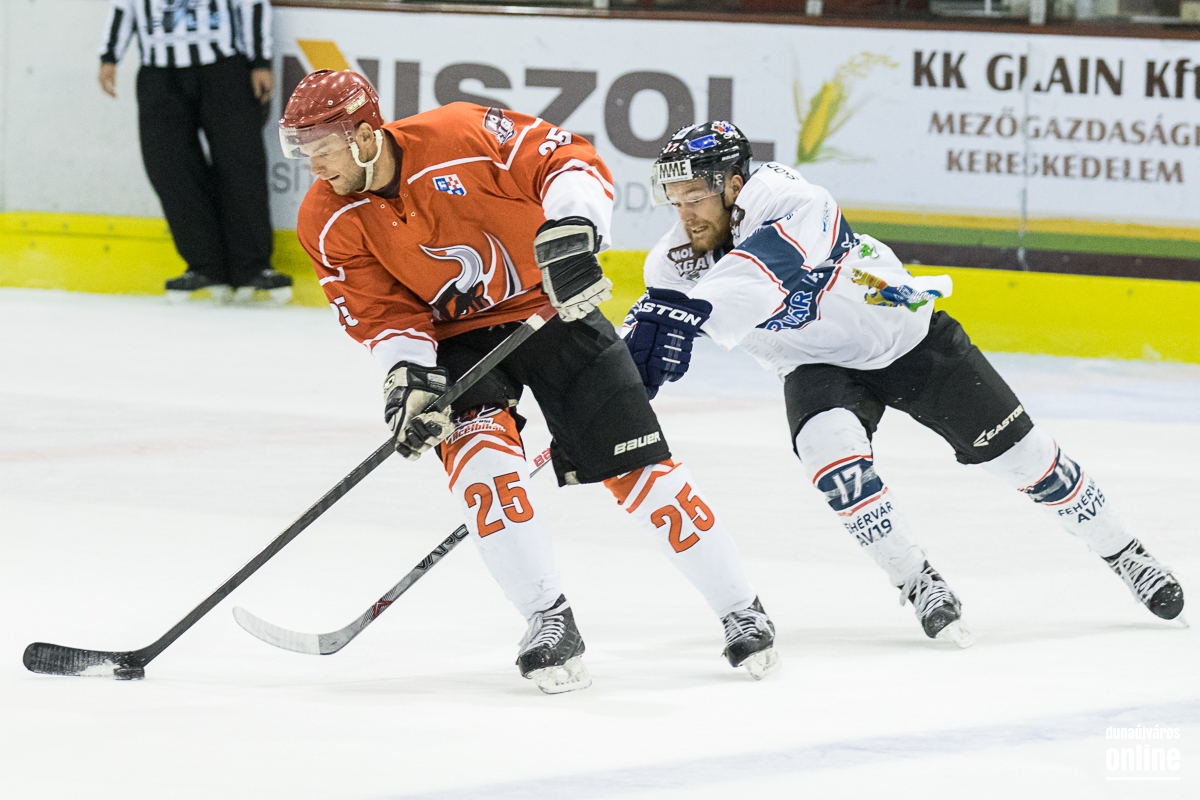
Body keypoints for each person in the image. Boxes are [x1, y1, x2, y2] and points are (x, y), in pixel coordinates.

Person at [279, 70, 780, 693]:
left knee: (644, 472)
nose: (312, 165)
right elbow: (381, 313)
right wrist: (409, 376)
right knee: (484, 474)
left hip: (553, 309)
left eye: (322, 147)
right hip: (455, 340)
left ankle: (740, 607)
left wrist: (571, 231)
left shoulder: (458, 132)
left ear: (362, 135)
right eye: (301, 149)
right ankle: (548, 619)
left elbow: (565, 159)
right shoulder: (325, 217)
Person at [624, 121, 1185, 646]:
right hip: (816, 365)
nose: (685, 213)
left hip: (906, 338)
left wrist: (689, 311)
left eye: (695, 195)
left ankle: (1125, 552)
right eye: (674, 199)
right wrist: (619, 380)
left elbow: (765, 271)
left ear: (734, 185)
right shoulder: (672, 263)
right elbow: (649, 337)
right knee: (829, 457)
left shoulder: (791, 198)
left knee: (1029, 460)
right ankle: (917, 579)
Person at [99, 0, 292, 304]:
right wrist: (109, 56)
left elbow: (251, 5)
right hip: (159, 76)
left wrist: (260, 61)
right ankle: (204, 265)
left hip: (224, 69)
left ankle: (253, 267)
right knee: (170, 168)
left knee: (241, 164)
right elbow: (124, 7)